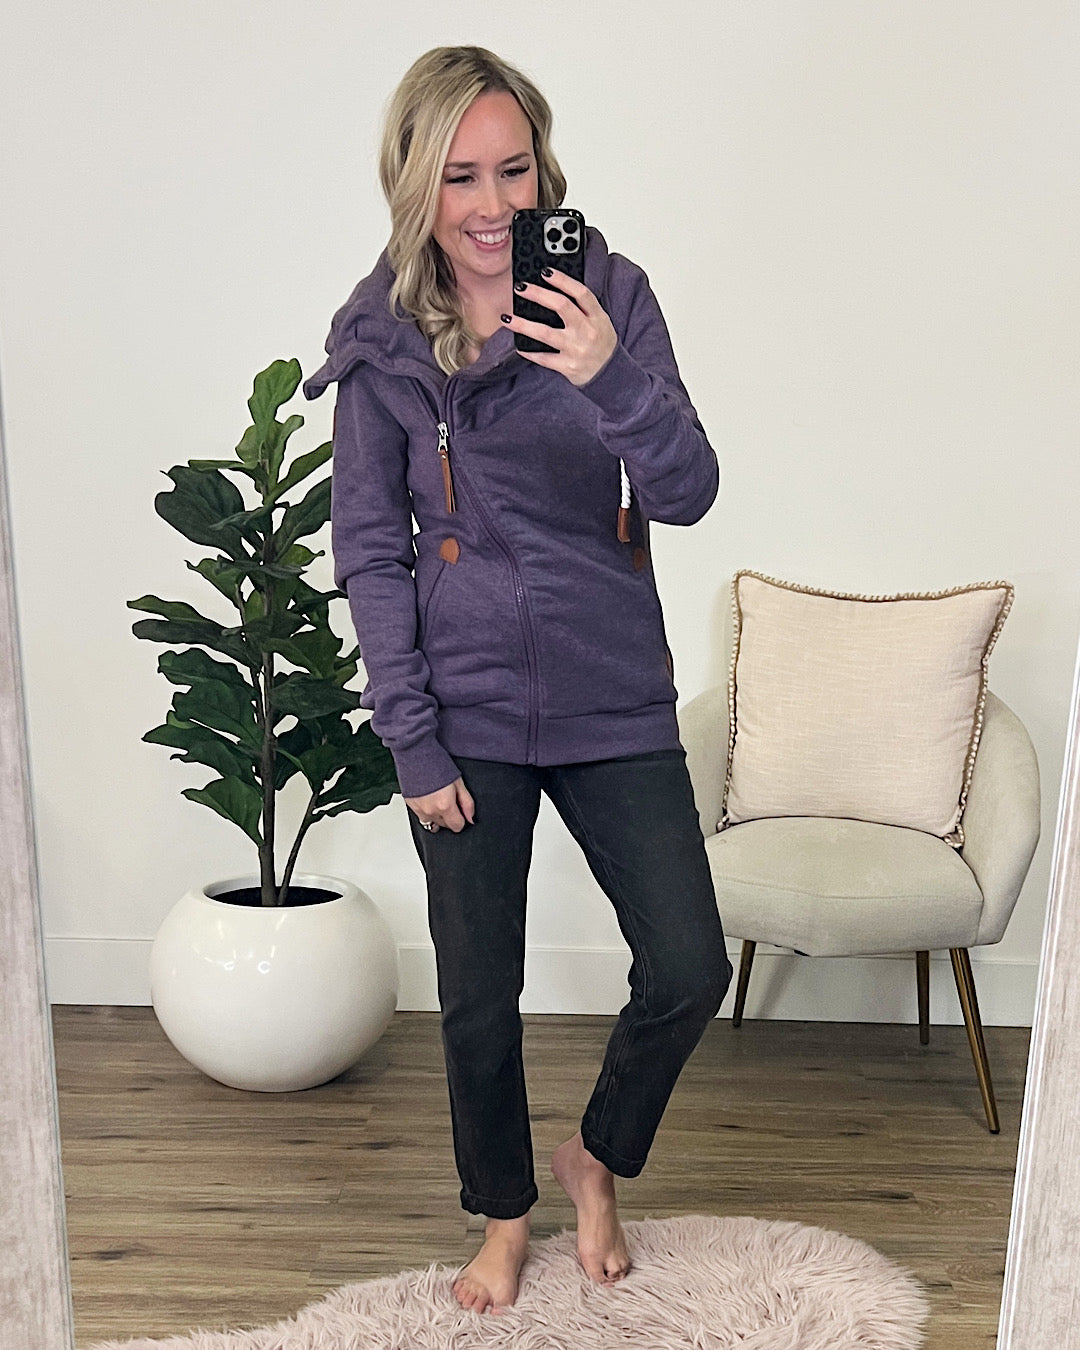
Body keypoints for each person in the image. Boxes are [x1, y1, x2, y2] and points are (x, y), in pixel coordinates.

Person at [304, 45, 733, 1316]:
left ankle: (596, 1157)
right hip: (467, 705)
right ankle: (503, 1216)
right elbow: (370, 549)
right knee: (480, 995)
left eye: (513, 169)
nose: (492, 205)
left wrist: (611, 376)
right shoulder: (383, 339)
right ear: (416, 188)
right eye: (460, 178)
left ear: (543, 168)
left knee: (688, 964)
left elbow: (690, 490)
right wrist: (411, 737)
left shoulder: (610, 296)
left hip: (611, 689)